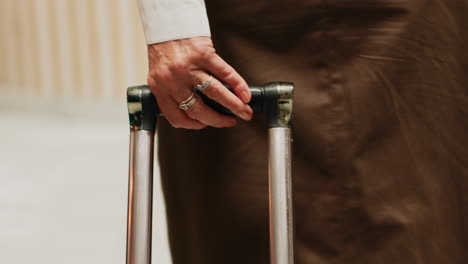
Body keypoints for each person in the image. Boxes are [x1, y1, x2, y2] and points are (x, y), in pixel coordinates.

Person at [136, 0, 468, 263]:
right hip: (252, 27)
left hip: (415, 22)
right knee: (246, 229)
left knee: (424, 224)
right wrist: (171, 20)